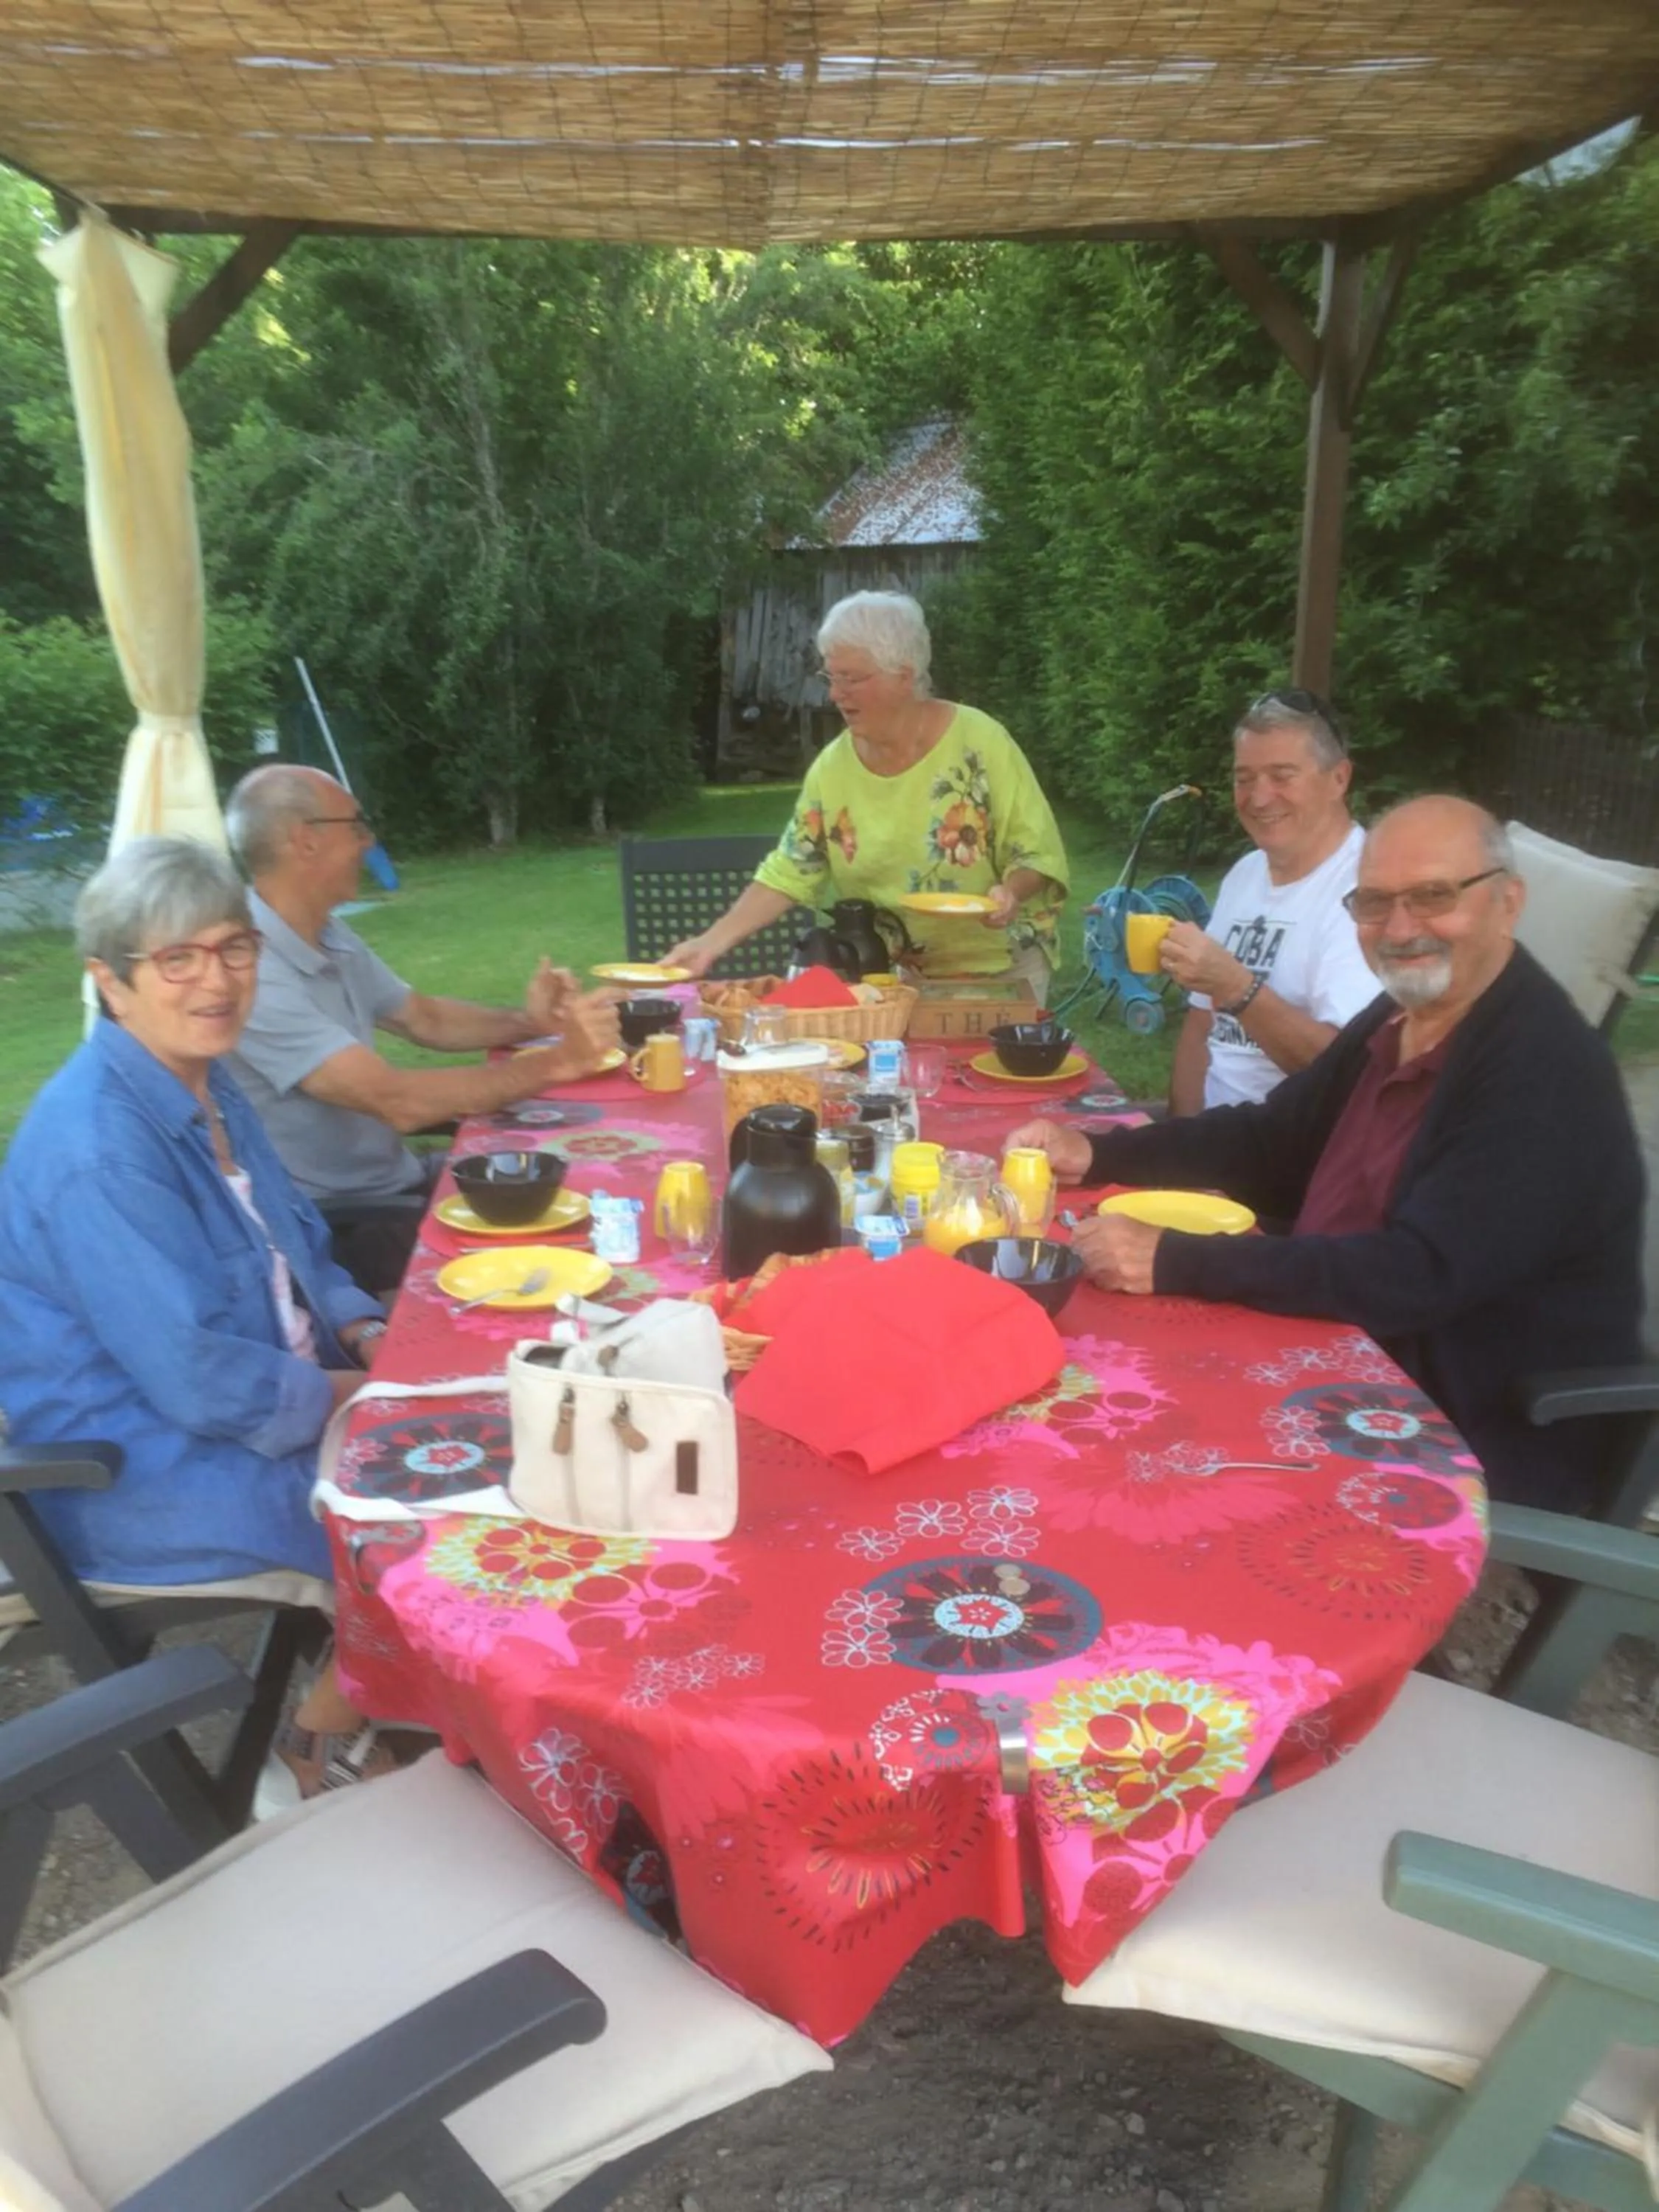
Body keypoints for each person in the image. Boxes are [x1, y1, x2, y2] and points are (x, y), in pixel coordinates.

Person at [1008, 796, 1646, 1509]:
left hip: (1465, 1415)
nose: (1401, 929)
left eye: (1433, 896)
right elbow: (1273, 1137)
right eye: (1374, 903)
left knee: (1142, 1464)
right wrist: (1097, 1155)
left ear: (1507, 903)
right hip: (1344, 1338)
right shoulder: (1407, 1012)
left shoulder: (1541, 1071)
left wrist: (1175, 1258)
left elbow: (1419, 1274)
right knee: (1086, 1384)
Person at [0, 838, 391, 1798]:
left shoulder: (201, 1081)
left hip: (245, 1416)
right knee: (418, 1530)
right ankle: (310, 1747)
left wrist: (364, 1332)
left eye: (233, 948)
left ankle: (359, 1700)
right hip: (133, 1473)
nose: (215, 981)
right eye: (177, 958)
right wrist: (370, 1395)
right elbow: (198, 1380)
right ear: (112, 981)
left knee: (451, 1461)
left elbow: (300, 1239)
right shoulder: (99, 1150)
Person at [223, 764, 620, 1292]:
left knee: (594, 1186)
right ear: (306, 841)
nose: (369, 841)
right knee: (582, 1248)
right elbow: (398, 1102)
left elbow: (424, 1017)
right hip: (339, 1227)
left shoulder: (323, 932)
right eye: (357, 826)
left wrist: (530, 1023)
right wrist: (559, 1061)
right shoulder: (253, 971)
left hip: (396, 1185)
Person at [661, 592, 1069, 998]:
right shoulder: (833, 769)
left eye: (851, 678)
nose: (835, 694)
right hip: (891, 979)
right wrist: (709, 943)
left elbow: (1035, 852)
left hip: (1001, 970)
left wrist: (1010, 892)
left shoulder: (980, 743)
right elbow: (791, 869)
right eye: (830, 677)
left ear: (904, 677)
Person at [1164, 689, 1375, 1115]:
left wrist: (1236, 986)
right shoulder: (1246, 872)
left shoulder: (1371, 890)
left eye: (1282, 776)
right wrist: (1180, 1142)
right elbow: (1201, 1026)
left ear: (1339, 778)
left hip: (1289, 1159)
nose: (1258, 798)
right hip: (1213, 1150)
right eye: (1244, 779)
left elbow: (1346, 1074)